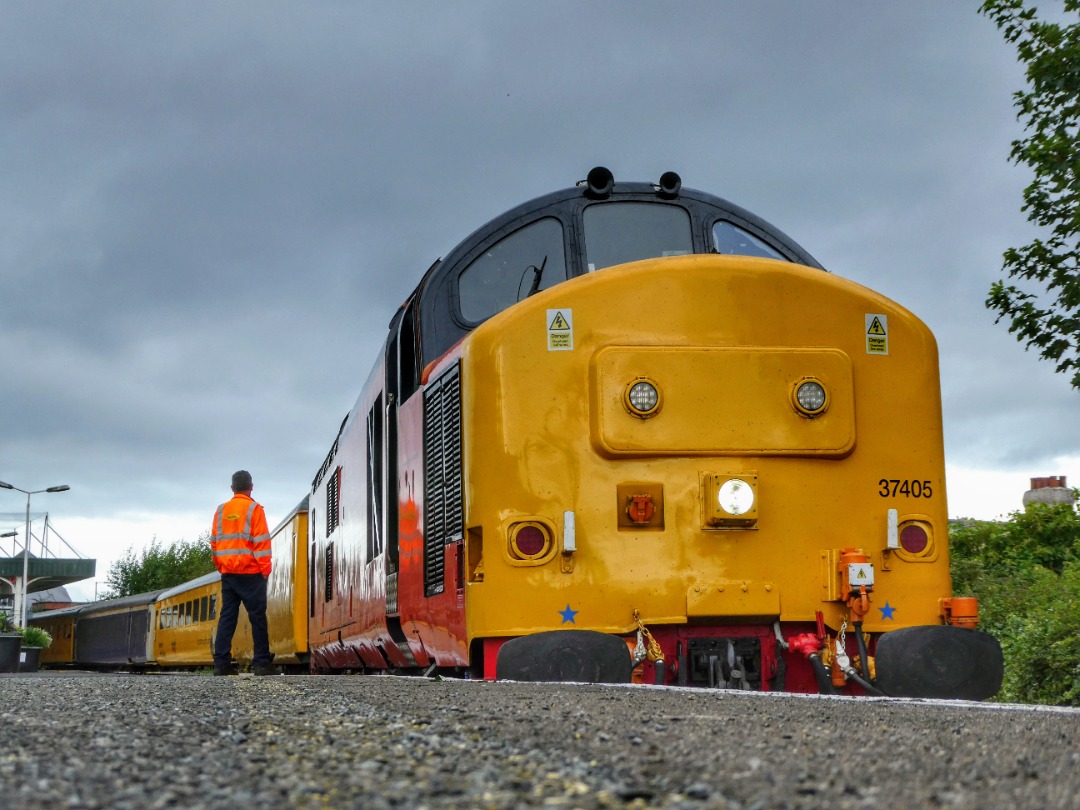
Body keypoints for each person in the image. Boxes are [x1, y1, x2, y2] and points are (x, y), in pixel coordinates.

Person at [210, 470, 274, 676]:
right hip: (251, 573)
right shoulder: (255, 509)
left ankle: (221, 663)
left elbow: (214, 543)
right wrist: (265, 570)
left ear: (232, 488)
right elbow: (262, 542)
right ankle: (262, 663)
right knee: (257, 617)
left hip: (228, 573)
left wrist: (221, 566)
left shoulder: (220, 511)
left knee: (227, 616)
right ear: (251, 486)